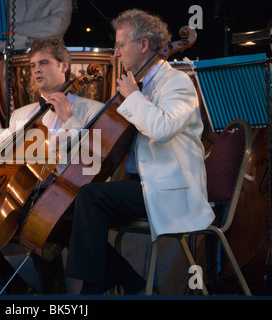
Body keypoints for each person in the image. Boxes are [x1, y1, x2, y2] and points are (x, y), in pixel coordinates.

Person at [65, 9, 216, 294]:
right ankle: (129, 280)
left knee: (90, 198)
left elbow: (162, 129)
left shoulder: (178, 83)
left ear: (144, 44)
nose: (117, 53)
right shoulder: (140, 85)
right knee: (69, 209)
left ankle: (93, 292)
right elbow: (102, 143)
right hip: (143, 188)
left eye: (121, 45)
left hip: (172, 190)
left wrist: (133, 97)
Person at [0, 37, 104, 294]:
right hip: (21, 196)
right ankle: (19, 293)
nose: (36, 69)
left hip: (66, 200)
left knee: (39, 220)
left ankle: (55, 297)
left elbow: (93, 162)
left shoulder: (93, 110)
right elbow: (0, 146)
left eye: (44, 63)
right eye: (32, 65)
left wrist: (68, 118)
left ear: (64, 65)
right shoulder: (23, 114)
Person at [0, 0, 73, 53]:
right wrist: (31, 39)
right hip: (7, 68)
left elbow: (55, 28)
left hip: (48, 65)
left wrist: (11, 29)